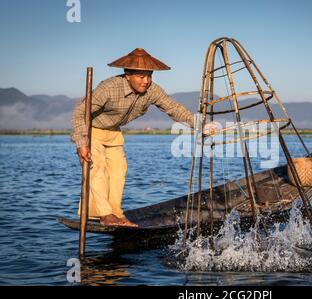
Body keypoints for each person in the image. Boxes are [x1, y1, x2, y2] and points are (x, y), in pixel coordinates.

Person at [71, 48, 216, 227]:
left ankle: (115, 212)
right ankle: (105, 215)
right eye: (141, 77)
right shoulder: (109, 88)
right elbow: (79, 112)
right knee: (96, 168)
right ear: (127, 75)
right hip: (92, 130)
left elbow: (173, 108)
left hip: (114, 132)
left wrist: (200, 125)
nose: (146, 81)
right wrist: (81, 142)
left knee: (119, 171)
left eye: (149, 76)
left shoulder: (152, 90)